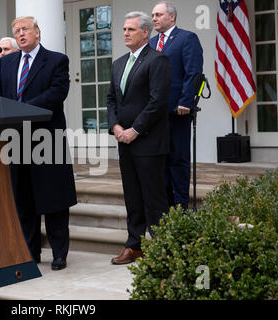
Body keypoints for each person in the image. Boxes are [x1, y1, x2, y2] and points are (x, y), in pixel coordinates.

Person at [0, 16, 77, 271]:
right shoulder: (6, 63)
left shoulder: (56, 60)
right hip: (16, 139)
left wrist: (21, 109)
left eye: (25, 29)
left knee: (54, 199)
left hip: (46, 138)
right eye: (16, 31)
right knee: (23, 199)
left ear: (37, 32)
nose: (21, 34)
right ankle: (30, 251)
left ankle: (59, 253)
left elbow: (57, 93)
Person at [107, 11, 171, 265]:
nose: (125, 33)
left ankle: (163, 247)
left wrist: (135, 129)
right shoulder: (118, 63)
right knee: (132, 197)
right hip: (125, 142)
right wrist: (115, 126)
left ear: (146, 32)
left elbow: (158, 102)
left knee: (153, 198)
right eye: (124, 29)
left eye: (131, 29)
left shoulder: (158, 60)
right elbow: (111, 99)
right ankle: (134, 245)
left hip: (148, 142)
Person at [149, 1, 204, 211]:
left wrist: (185, 101)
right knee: (161, 160)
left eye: (159, 15)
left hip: (177, 111)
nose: (154, 18)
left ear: (171, 17)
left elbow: (193, 72)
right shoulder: (151, 43)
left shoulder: (186, 38)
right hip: (155, 114)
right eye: (153, 15)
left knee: (178, 159)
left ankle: (181, 205)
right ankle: (166, 205)